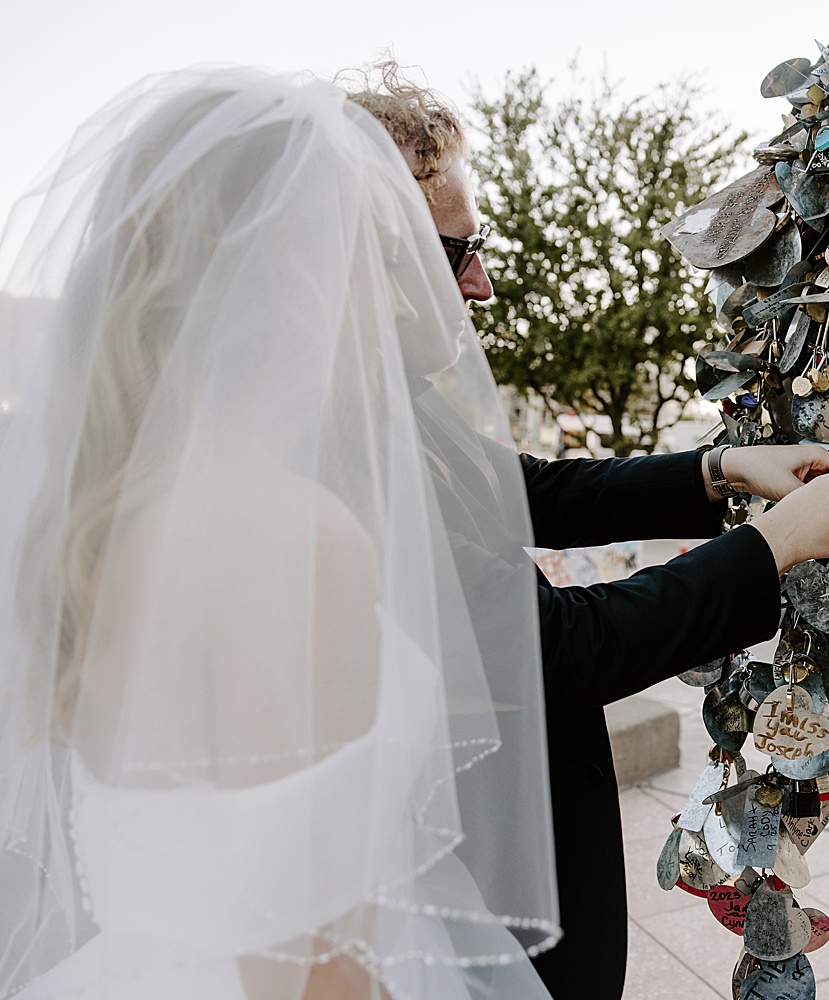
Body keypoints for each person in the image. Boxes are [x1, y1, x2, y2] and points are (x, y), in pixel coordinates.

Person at [0, 69, 560, 1000]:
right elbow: (307, 964)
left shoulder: (101, 519)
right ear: (287, 272)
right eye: (377, 256)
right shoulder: (290, 537)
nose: (407, 302)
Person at [345, 68, 829, 1000]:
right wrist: (776, 545)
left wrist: (719, 469)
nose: (480, 286)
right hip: (468, 888)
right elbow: (554, 650)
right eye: (455, 254)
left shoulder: (384, 400)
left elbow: (534, 490)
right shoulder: (333, 448)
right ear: (364, 259)